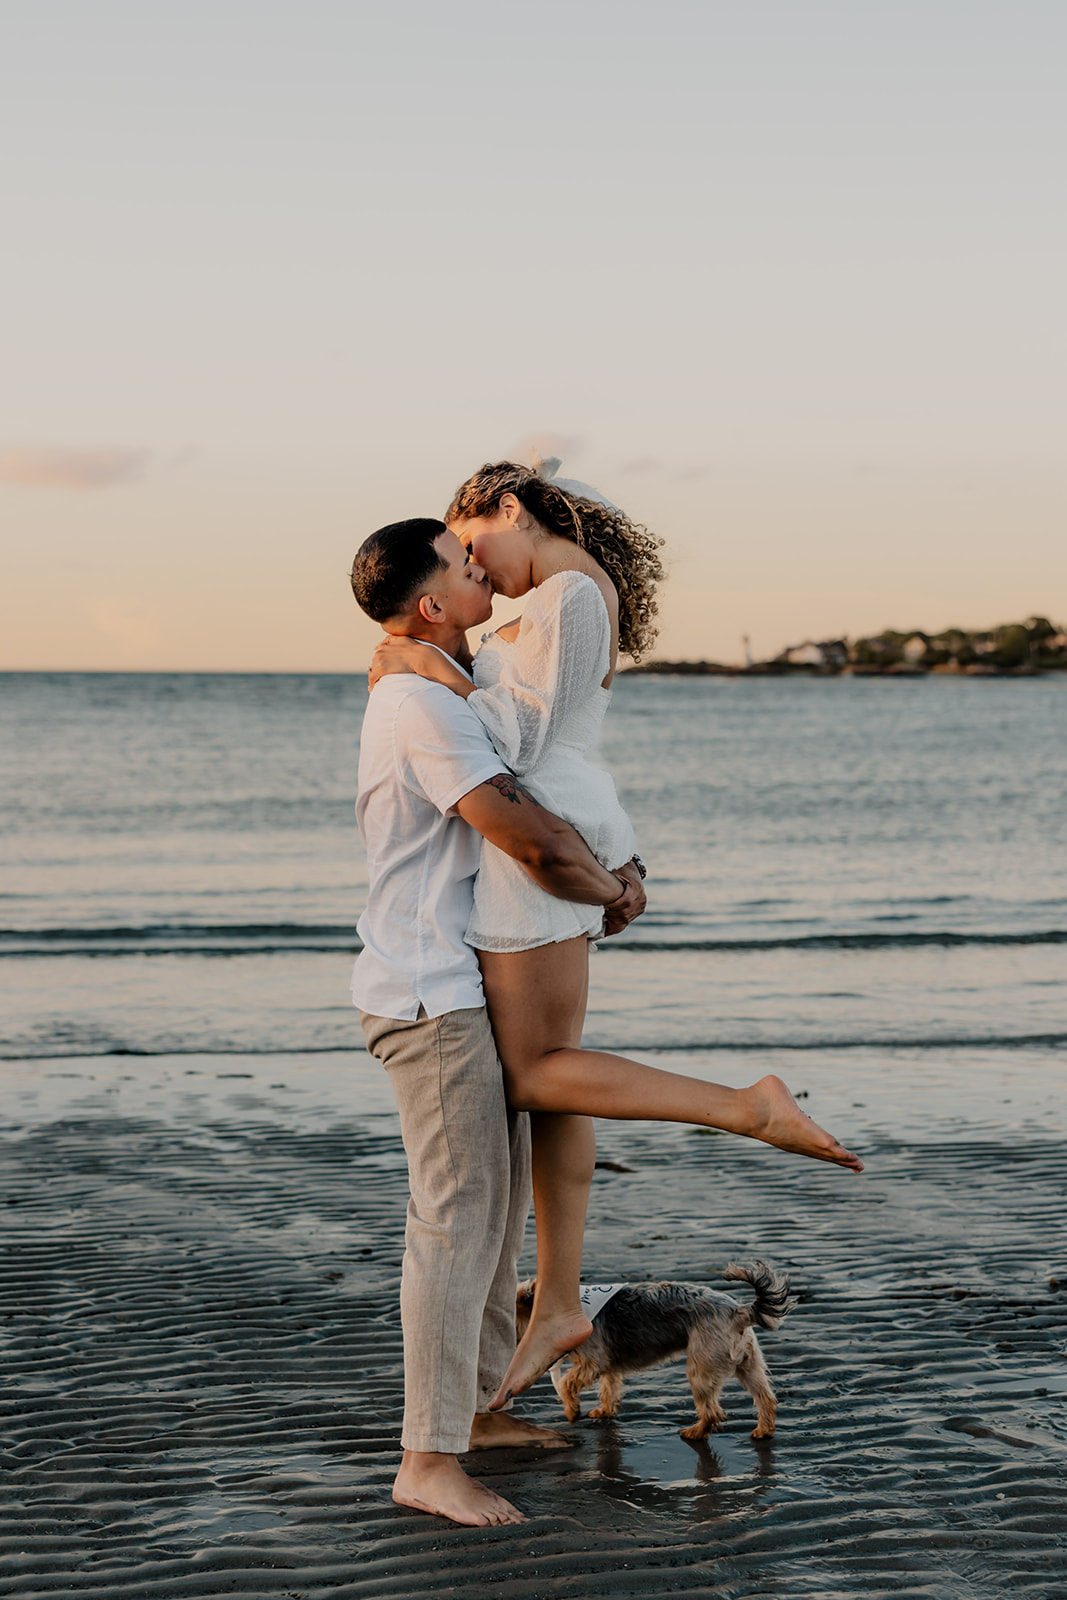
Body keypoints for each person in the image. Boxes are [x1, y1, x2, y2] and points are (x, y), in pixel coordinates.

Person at [370, 461, 864, 1415]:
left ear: (510, 508)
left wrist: (422, 662)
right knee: (551, 1076)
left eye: (473, 545)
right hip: (559, 833)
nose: (473, 573)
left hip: (537, 854)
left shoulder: (563, 593)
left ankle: (744, 1107)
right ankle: (558, 1299)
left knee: (531, 1071)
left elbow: (511, 746)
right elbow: (534, 726)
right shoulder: (562, 597)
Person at [349, 517, 648, 1527]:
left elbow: (545, 768)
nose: (481, 567)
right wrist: (605, 886)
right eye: (461, 562)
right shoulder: (420, 704)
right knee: (453, 1218)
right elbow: (518, 827)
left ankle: (474, 1410)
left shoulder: (436, 677)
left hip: (460, 986)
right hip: (428, 996)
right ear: (431, 603)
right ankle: (425, 1458)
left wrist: (616, 865)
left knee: (492, 1210)